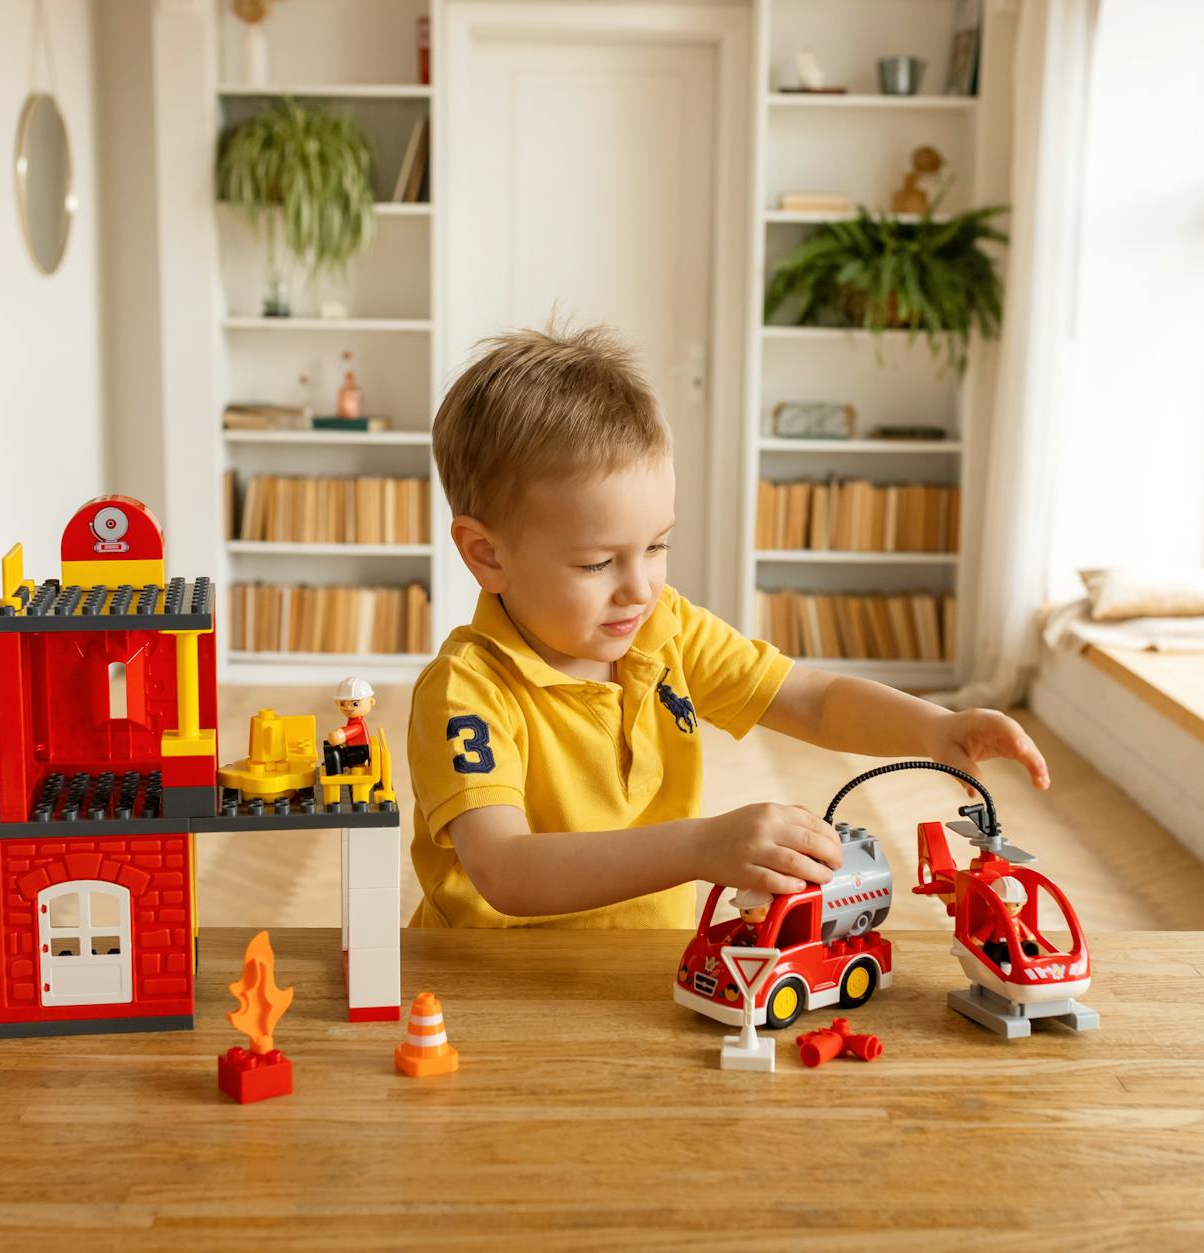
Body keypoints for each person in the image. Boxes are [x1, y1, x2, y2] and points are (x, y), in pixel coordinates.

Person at [406, 322, 1049, 928]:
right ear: (487, 555)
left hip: (639, 978)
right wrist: (700, 845)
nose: (640, 588)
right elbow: (505, 869)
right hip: (494, 988)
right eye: (597, 562)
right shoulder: (465, 691)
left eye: (656, 547)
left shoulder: (666, 628)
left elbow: (812, 700)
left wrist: (934, 727)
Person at [323, 675, 377, 776]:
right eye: (343, 704)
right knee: (329, 746)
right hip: (354, 749)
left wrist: (339, 734)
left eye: (355, 704)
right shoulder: (354, 722)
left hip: (359, 753)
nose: (348, 707)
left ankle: (335, 775)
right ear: (337, 703)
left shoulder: (358, 725)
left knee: (333, 754)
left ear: (371, 702)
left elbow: (350, 732)